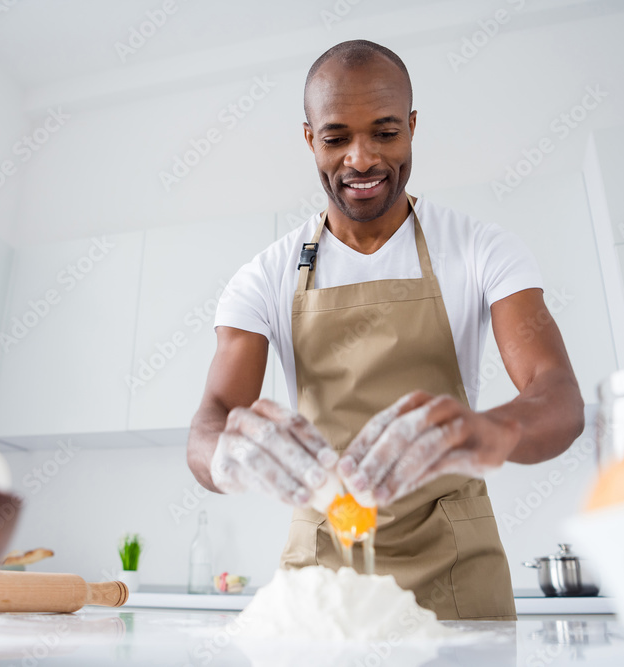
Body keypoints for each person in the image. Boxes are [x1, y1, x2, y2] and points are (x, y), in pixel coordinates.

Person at [186, 39, 585, 621]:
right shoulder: (264, 276)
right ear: (309, 139)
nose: (362, 158)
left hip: (456, 566)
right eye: (336, 137)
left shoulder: (480, 249)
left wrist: (491, 431)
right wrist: (227, 454)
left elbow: (560, 398)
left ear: (414, 127)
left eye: (385, 132)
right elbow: (212, 418)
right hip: (321, 573)